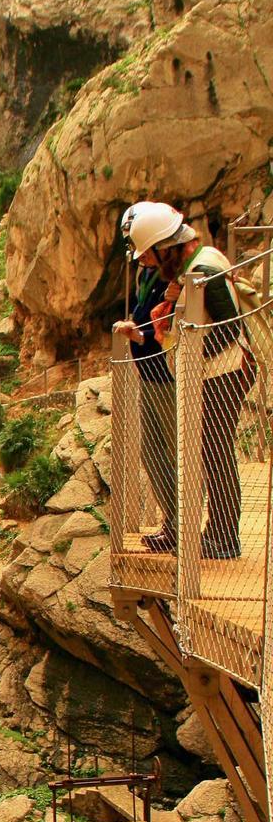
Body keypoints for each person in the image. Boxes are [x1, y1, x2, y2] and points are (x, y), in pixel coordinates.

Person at [130, 201, 255, 559]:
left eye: (152, 255)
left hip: (224, 372)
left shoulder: (204, 270)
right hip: (217, 371)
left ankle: (223, 538)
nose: (151, 264)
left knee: (216, 453)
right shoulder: (197, 265)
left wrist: (189, 347)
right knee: (211, 452)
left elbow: (230, 328)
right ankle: (217, 533)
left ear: (164, 247)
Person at [114, 202, 178, 553]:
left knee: (169, 451)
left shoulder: (173, 277)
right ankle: (173, 522)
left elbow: (167, 328)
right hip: (150, 373)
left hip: (165, 374)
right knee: (152, 452)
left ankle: (177, 526)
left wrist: (139, 335)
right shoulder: (149, 274)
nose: (140, 258)